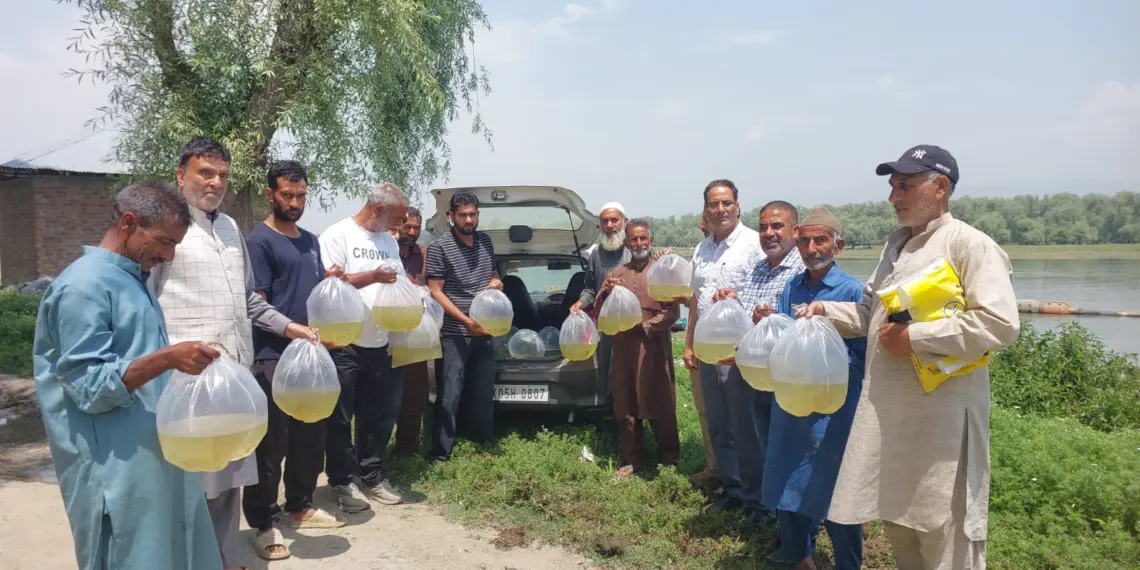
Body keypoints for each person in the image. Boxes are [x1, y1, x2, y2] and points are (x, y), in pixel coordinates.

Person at [800, 145, 1019, 569]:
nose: (894, 197)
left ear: (940, 187)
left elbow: (999, 324)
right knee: (902, 525)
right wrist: (823, 311)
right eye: (892, 186)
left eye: (906, 185)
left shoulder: (969, 244)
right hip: (893, 419)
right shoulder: (898, 245)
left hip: (943, 424)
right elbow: (870, 314)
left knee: (945, 533)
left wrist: (915, 337)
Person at [33, 181, 223, 570]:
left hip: (152, 455)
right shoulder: (84, 287)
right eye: (163, 242)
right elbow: (88, 385)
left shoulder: (131, 278)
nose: (169, 255)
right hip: (114, 469)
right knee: (129, 555)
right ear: (129, 222)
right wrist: (167, 358)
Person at [148, 136, 316, 570]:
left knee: (227, 478)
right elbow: (145, 303)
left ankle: (221, 558)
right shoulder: (165, 229)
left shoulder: (228, 230)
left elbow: (250, 302)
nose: (215, 182)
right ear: (181, 174)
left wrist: (291, 327)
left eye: (222, 174)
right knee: (189, 482)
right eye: (205, 172)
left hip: (234, 375)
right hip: (188, 380)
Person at [242, 160, 345, 561]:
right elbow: (258, 305)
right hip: (273, 355)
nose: (295, 202)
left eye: (301, 195)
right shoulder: (259, 241)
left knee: (310, 436)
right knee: (272, 445)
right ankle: (264, 523)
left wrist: (327, 328)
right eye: (287, 195)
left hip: (311, 356)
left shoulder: (311, 241)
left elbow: (315, 298)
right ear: (271, 194)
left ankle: (300, 504)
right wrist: (293, 330)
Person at [761, 207, 865, 569]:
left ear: (839, 243)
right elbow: (790, 339)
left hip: (833, 408)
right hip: (792, 401)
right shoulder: (792, 286)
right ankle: (800, 556)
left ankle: (848, 563)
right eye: (804, 240)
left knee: (836, 492)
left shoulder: (852, 290)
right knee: (788, 479)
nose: (811, 247)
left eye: (820, 240)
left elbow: (862, 357)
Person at [317, 182, 410, 512]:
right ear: (379, 210)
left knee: (375, 415)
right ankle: (341, 482)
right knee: (341, 418)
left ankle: (371, 475)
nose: (401, 225)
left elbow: (397, 282)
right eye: (398, 218)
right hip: (345, 342)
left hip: (378, 340)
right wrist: (372, 275)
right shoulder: (337, 235)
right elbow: (332, 285)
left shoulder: (388, 241)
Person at [713, 201, 804, 521]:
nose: (768, 233)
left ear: (794, 230)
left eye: (776, 226)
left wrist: (776, 318)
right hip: (746, 367)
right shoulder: (757, 267)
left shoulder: (802, 270)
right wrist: (731, 302)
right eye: (764, 227)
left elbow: (809, 325)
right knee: (747, 436)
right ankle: (756, 502)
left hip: (782, 371)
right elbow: (745, 318)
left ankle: (785, 509)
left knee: (781, 439)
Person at [683, 179, 762, 508]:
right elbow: (694, 300)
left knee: (744, 424)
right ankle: (730, 489)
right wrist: (689, 344)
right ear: (705, 209)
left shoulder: (754, 244)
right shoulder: (702, 249)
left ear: (738, 205)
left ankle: (755, 497)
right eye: (713, 204)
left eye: (726, 203)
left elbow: (764, 294)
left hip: (739, 352)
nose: (720, 210)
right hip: (707, 351)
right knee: (718, 422)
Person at [593, 219, 681, 477]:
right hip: (623, 349)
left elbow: (673, 312)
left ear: (651, 241)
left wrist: (645, 327)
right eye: (634, 239)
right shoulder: (618, 274)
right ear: (627, 243)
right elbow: (599, 311)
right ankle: (634, 458)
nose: (639, 243)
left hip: (653, 347)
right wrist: (606, 292)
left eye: (643, 239)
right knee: (625, 401)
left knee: (660, 399)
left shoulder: (662, 271)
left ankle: (669, 457)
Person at [425, 191, 503, 461]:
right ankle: (441, 452)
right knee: (450, 394)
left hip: (485, 332)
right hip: (455, 333)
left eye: (473, 214)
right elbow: (436, 291)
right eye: (463, 215)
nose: (468, 220)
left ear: (478, 215)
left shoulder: (485, 242)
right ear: (451, 216)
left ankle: (481, 444)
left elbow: (494, 276)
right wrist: (465, 320)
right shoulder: (440, 247)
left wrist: (497, 283)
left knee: (482, 393)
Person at [569, 202, 631, 410]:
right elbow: (589, 289)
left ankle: (632, 421)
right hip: (606, 326)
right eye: (605, 221)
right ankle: (610, 418)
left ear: (625, 221)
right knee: (607, 372)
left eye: (614, 220)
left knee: (631, 374)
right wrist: (579, 303)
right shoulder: (596, 254)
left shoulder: (635, 249)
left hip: (633, 326)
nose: (610, 225)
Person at [394, 206, 430, 457]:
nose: (412, 231)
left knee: (414, 394)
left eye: (417, 227)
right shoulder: (384, 250)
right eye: (408, 226)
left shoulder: (424, 254)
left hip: (415, 336)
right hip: (385, 333)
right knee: (384, 394)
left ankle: (407, 451)